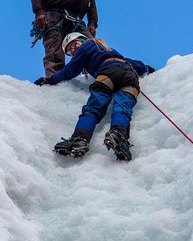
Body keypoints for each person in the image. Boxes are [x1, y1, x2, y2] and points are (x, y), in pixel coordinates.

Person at [35, 32, 156, 161]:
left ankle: (80, 139)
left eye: (74, 45)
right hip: (130, 77)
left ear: (82, 40)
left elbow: (69, 71)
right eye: (69, 52)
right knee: (123, 108)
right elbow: (136, 64)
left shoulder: (87, 45)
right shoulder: (109, 50)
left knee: (94, 107)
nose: (73, 51)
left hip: (107, 72)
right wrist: (149, 69)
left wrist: (49, 80)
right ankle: (118, 135)